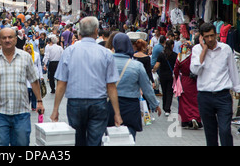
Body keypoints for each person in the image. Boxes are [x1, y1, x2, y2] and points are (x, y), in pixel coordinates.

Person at [50, 16, 122, 146]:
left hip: (75, 103)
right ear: (96, 31)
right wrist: (117, 113)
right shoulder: (106, 53)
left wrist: (55, 109)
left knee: (78, 140)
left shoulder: (69, 52)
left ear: (80, 32)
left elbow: (61, 83)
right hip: (98, 103)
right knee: (95, 141)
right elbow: (111, 86)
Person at [190, 23, 240, 146]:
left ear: (217, 34)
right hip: (205, 96)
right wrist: (204, 50)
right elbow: (195, 70)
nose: (210, 39)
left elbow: (233, 72)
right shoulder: (197, 50)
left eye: (212, 35)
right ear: (202, 37)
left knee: (224, 130)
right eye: (207, 37)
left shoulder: (226, 49)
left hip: (223, 97)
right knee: (210, 132)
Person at [0, 27, 44, 146]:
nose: (7, 40)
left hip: (21, 112)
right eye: (4, 38)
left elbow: (34, 80)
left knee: (22, 143)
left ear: (16, 39)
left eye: (10, 37)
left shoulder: (25, 57)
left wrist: (39, 101)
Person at [109, 33, 161, 139]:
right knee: (129, 136)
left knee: (109, 136)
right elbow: (147, 87)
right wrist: (154, 104)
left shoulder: (106, 62)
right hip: (130, 106)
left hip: (109, 105)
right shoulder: (136, 66)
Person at [173, 41, 202, 129]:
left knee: (184, 101)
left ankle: (187, 120)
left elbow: (176, 71)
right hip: (194, 81)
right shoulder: (194, 56)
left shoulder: (180, 56)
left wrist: (176, 80)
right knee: (195, 100)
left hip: (184, 81)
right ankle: (196, 118)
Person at [153, 40, 176, 116]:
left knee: (164, 91)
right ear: (172, 46)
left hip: (162, 76)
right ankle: (167, 109)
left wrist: (153, 70)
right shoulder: (175, 55)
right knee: (170, 92)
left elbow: (157, 65)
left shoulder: (161, 54)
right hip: (171, 76)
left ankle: (164, 107)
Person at [24, 43, 43, 111]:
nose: (29, 50)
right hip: (27, 74)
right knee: (28, 91)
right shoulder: (24, 55)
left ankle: (34, 105)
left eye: (30, 49)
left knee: (34, 91)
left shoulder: (36, 54)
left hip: (35, 74)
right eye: (27, 49)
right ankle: (27, 104)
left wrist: (41, 76)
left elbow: (39, 65)